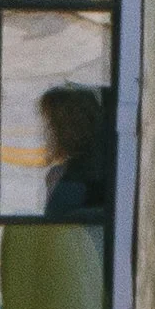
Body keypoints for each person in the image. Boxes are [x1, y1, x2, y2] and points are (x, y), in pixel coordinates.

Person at [39, 86, 110, 221]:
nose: (49, 131)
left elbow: (53, 225)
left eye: (53, 123)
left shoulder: (72, 182)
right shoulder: (66, 174)